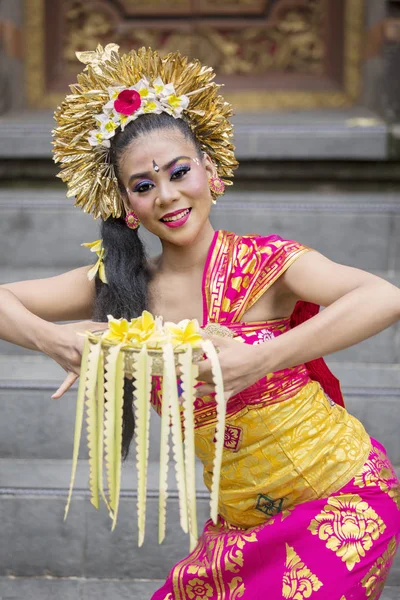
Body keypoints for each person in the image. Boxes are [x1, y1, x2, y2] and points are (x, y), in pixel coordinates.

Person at [1, 44, 400, 600]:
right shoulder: (121, 289)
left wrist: (263, 356)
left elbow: (382, 296)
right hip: (238, 529)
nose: (166, 196)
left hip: (340, 501)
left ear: (210, 171)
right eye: (143, 186)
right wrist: (54, 341)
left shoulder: (264, 264)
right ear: (125, 205)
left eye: (178, 172)